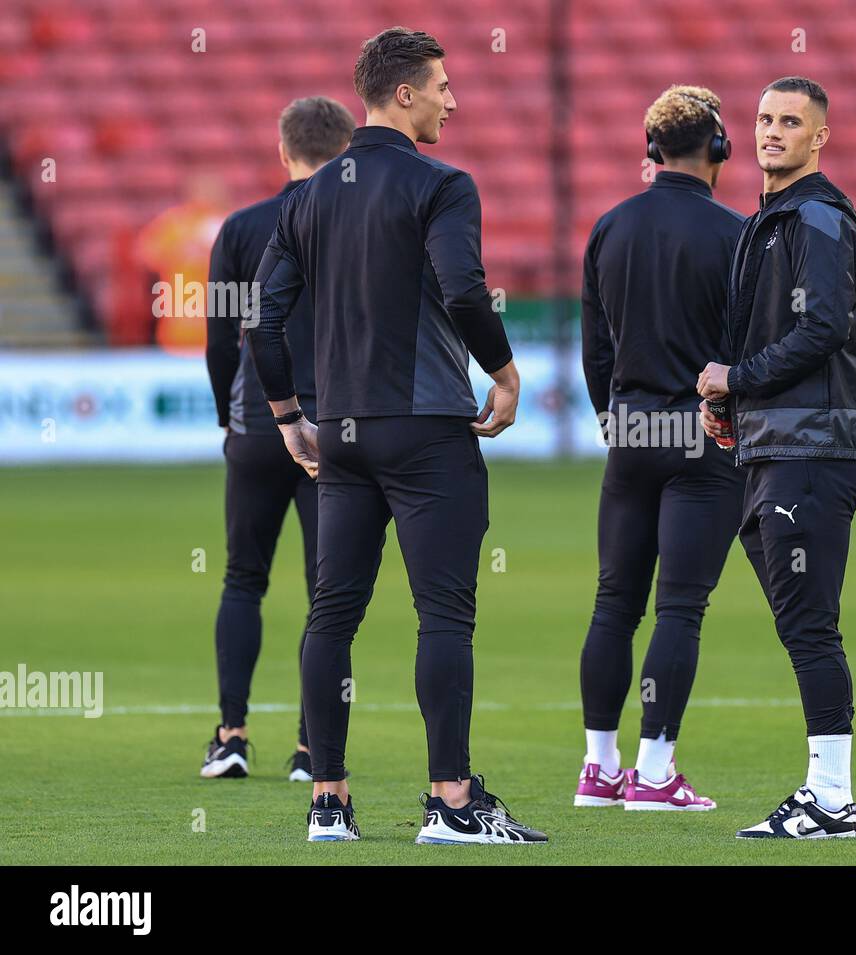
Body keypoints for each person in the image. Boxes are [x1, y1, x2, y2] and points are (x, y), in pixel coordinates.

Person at [248, 27, 545, 845]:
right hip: (425, 430)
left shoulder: (307, 198)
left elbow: (262, 324)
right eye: (443, 85)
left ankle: (329, 804)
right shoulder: (442, 183)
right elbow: (462, 287)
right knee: (443, 614)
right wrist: (506, 370)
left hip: (340, 433)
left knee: (330, 614)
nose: (454, 98)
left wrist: (287, 418)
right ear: (404, 93)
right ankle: (452, 802)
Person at [697, 76, 856, 839]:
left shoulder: (820, 216)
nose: (773, 131)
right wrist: (732, 406)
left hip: (816, 443)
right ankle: (828, 793)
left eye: (791, 121)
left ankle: (830, 798)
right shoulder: (766, 221)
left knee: (809, 624)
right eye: (765, 118)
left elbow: (823, 328)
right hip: (777, 444)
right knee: (801, 621)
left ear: (819, 137)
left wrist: (736, 379)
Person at [576, 86, 745, 811]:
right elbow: (750, 350)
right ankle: (654, 772)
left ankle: (599, 767)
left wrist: (614, 419)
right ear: (718, 148)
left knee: (614, 602)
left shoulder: (610, 227)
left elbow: (595, 350)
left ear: (652, 150)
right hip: (701, 435)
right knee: (680, 606)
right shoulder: (739, 234)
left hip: (632, 431)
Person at [200, 95, 354, 782]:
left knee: (241, 577)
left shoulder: (241, 228)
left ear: (283, 149)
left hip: (261, 424)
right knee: (330, 594)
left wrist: (227, 415)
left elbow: (218, 340)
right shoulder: (359, 224)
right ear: (346, 151)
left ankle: (231, 735)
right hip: (337, 429)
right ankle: (311, 751)